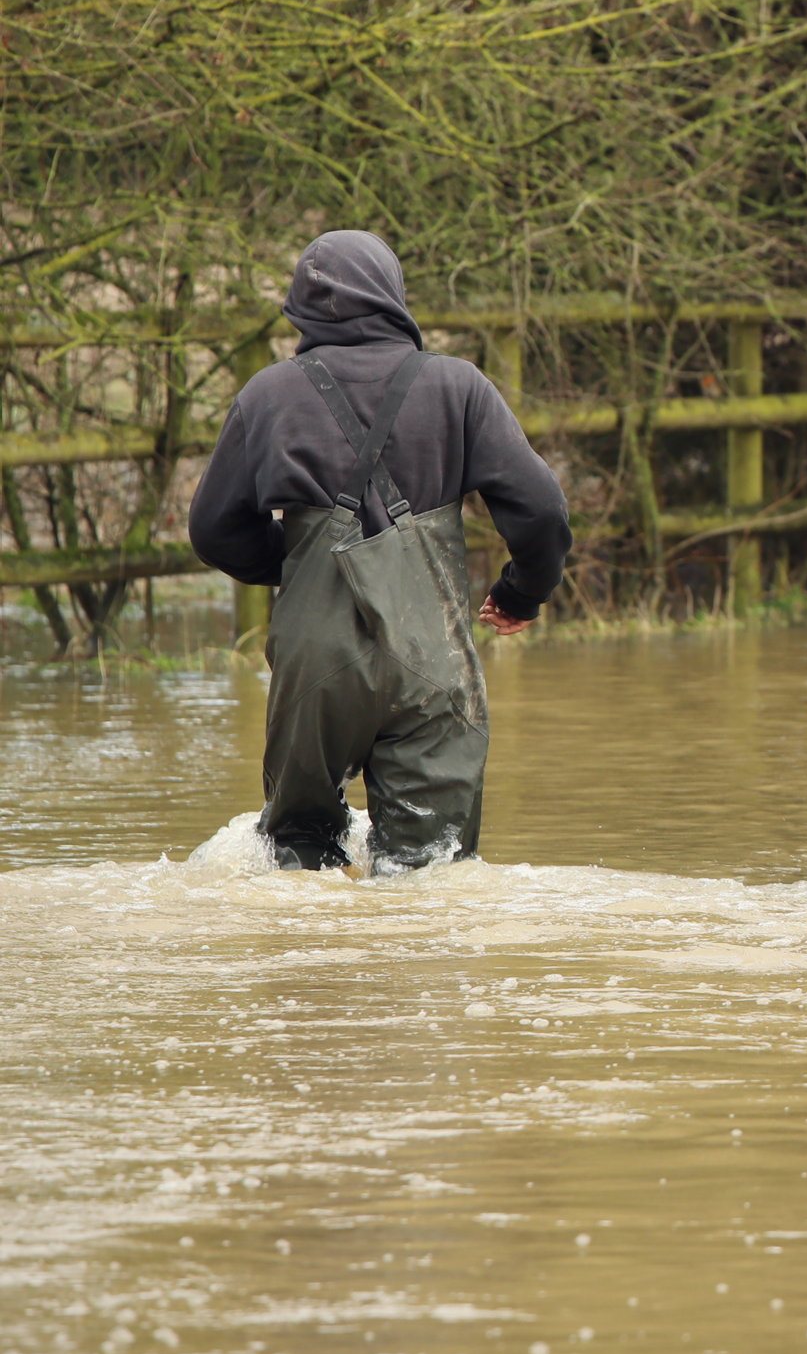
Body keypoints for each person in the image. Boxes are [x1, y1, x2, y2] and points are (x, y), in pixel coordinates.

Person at [191, 230, 571, 873]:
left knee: (297, 868)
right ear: (393, 296)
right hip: (430, 661)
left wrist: (295, 566)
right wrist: (521, 592)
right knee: (429, 877)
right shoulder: (460, 388)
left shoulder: (268, 395)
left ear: (298, 311)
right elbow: (542, 511)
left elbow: (213, 530)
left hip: (314, 665)